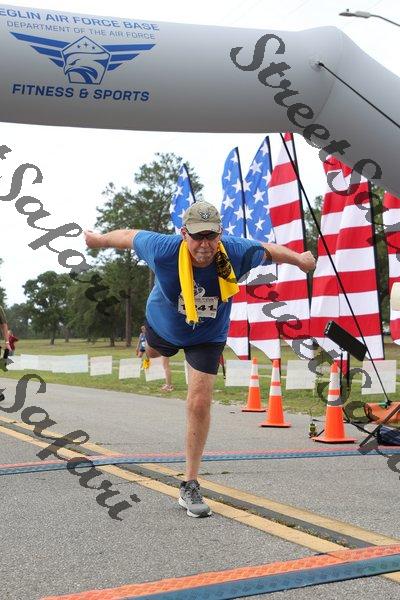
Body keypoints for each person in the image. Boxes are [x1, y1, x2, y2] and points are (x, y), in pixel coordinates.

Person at [85, 201, 315, 518]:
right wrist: (98, 240)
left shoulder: (234, 251)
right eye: (197, 236)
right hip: (163, 327)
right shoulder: (163, 249)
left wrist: (300, 259)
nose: (204, 245)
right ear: (184, 234)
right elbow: (128, 235)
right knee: (155, 353)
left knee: (199, 401)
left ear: (220, 233)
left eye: (211, 236)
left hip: (207, 334)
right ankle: (148, 346)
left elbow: (269, 250)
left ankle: (190, 483)